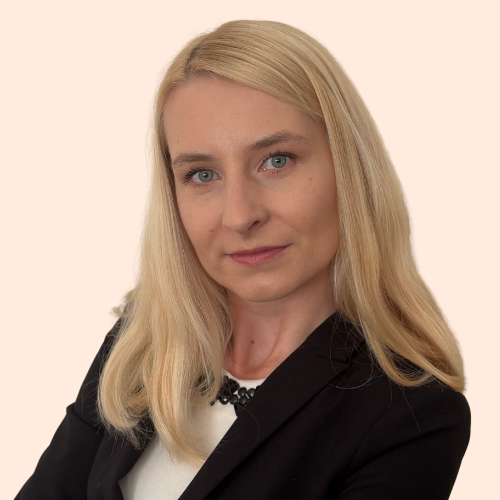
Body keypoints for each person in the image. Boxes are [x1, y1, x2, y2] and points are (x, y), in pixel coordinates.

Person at [15, 19, 471, 500]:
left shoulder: (411, 415)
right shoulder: (141, 344)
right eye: (202, 174)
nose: (239, 216)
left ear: (349, 168)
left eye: (277, 160)